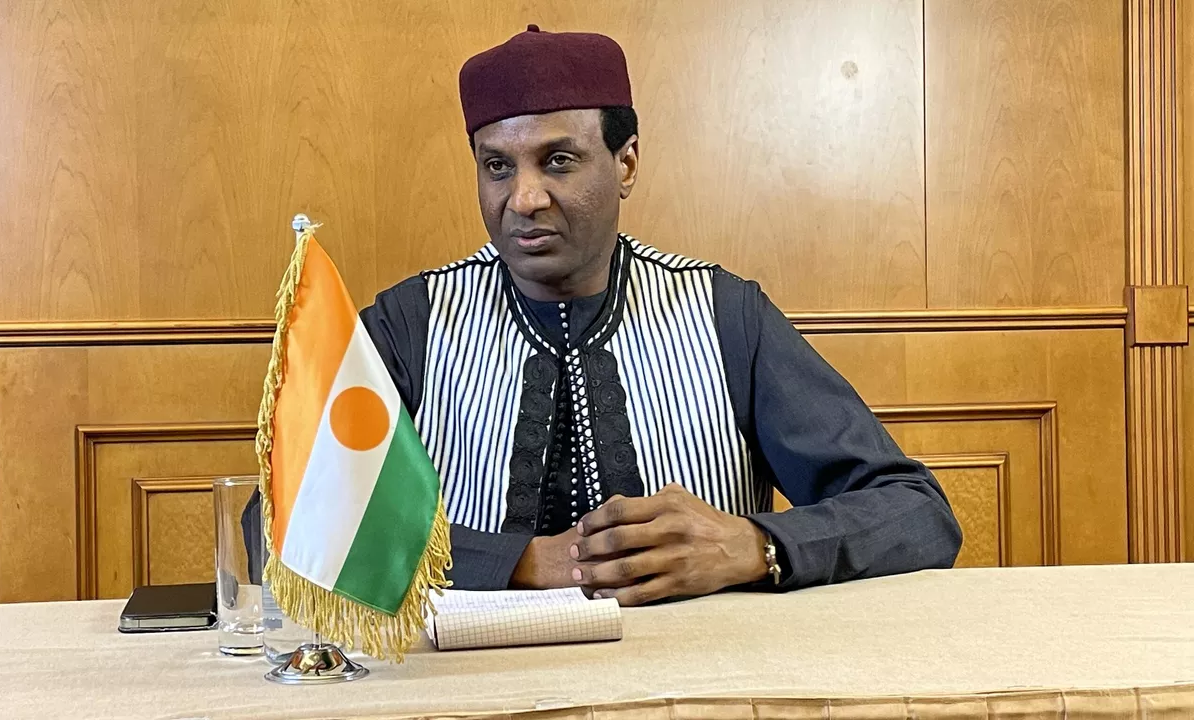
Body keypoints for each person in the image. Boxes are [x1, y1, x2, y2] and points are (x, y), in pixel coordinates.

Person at [360, 25, 962, 606]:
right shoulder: (408, 324)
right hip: (477, 671)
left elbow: (916, 512)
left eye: (559, 161)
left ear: (625, 164)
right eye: (497, 167)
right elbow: (308, 525)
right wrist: (518, 562)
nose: (524, 198)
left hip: (708, 668)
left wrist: (753, 546)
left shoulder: (724, 313)